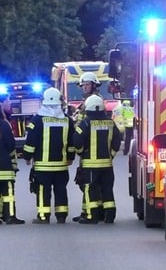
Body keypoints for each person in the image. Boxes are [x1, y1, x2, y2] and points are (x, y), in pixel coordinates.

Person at [21, 88, 74, 223]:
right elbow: (72, 142)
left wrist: (27, 157)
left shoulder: (37, 120)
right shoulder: (67, 120)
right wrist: (70, 157)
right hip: (61, 166)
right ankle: (61, 216)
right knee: (61, 190)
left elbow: (31, 141)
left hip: (43, 166)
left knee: (43, 190)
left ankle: (44, 216)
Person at [73, 94, 121, 224]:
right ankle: (110, 216)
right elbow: (117, 139)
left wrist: (81, 152)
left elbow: (76, 141)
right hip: (107, 165)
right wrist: (111, 154)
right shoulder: (110, 123)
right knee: (107, 189)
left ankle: (91, 216)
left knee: (90, 189)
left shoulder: (86, 123)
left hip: (90, 165)